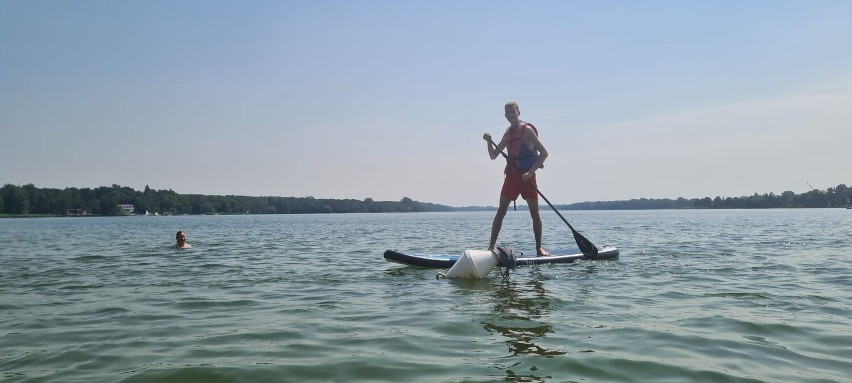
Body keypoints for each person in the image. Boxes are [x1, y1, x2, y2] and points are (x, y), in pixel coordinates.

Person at [483, 101, 550, 256]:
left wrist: (531, 172)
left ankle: (539, 248)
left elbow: (544, 153)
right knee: (501, 211)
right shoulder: (507, 134)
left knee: (535, 213)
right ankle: (491, 247)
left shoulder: (527, 130)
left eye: (513, 111)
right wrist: (488, 142)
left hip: (527, 176)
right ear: (505, 115)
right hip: (512, 176)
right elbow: (493, 156)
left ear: (518, 112)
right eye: (507, 113)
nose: (510, 114)